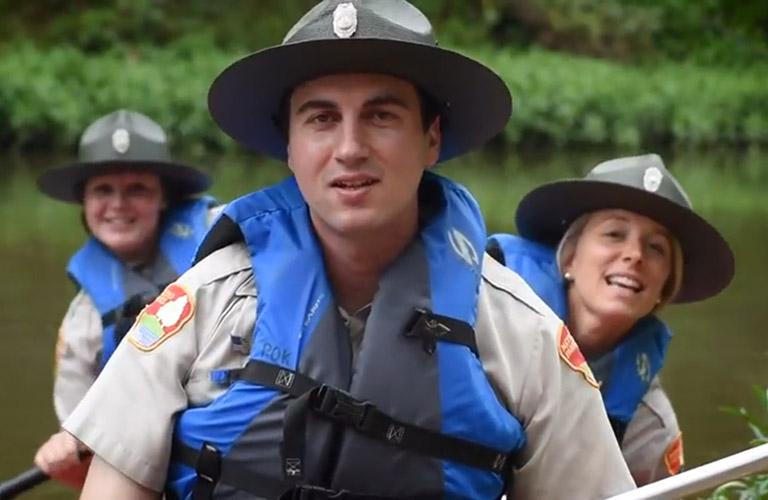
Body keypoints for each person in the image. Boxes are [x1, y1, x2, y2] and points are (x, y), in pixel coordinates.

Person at [63, 1, 636, 499]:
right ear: (289, 145)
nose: (350, 148)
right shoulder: (202, 306)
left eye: (382, 116)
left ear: (431, 137)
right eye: (321, 119)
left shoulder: (524, 334)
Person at [487, 153, 735, 485]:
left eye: (656, 247)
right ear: (570, 259)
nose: (635, 255)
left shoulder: (651, 430)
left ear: (664, 287)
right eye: (615, 234)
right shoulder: (482, 309)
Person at [32, 109, 219, 488]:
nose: (118, 204)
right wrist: (68, 448)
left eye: (137, 189)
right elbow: (84, 466)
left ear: (164, 198)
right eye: (103, 190)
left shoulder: (223, 231)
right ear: (84, 201)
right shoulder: (83, 322)